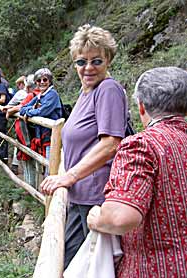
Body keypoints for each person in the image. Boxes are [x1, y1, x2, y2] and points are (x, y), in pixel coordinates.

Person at [40, 24, 129, 269]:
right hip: (81, 195)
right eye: (81, 62)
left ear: (108, 59)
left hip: (95, 198)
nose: (88, 68)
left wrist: (68, 176)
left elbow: (110, 144)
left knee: (82, 267)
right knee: (72, 264)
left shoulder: (108, 90)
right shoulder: (86, 91)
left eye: (96, 61)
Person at [87, 67, 187, 277]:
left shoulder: (141, 145)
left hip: (155, 270)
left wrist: (96, 217)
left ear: (141, 107)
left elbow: (120, 217)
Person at [20, 68, 63, 160]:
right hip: (42, 135)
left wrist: (30, 111)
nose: (42, 82)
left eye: (45, 79)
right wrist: (33, 108)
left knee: (50, 165)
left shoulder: (52, 95)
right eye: (39, 80)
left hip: (52, 136)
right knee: (44, 163)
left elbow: (42, 111)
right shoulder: (40, 95)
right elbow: (22, 109)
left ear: (50, 81)